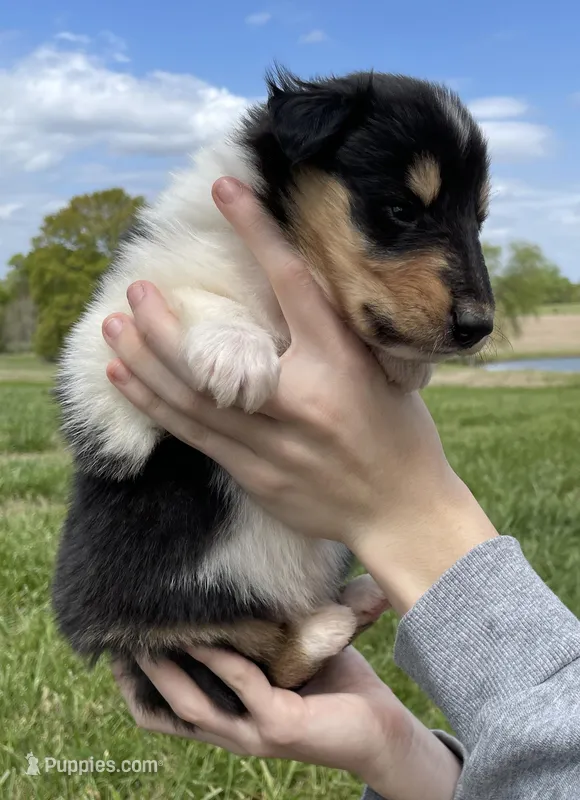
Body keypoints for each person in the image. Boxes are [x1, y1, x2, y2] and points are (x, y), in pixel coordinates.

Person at [102, 177, 580, 800]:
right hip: (174, 584)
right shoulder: (211, 230)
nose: (473, 297)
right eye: (403, 210)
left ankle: (284, 647)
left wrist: (406, 513)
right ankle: (278, 646)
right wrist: (395, 750)